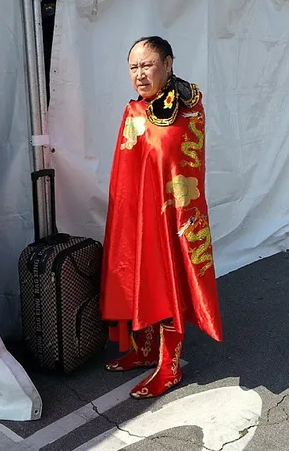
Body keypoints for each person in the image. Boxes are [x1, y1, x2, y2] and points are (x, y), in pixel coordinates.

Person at [100, 36, 223, 399]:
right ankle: (143, 349)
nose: (139, 74)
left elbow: (183, 163)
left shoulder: (188, 108)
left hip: (174, 216)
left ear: (168, 64)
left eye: (147, 65)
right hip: (138, 215)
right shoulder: (134, 111)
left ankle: (169, 364)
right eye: (133, 67)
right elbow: (128, 169)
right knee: (140, 275)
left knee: (167, 280)